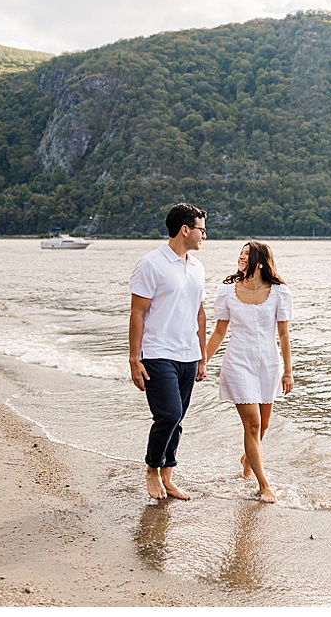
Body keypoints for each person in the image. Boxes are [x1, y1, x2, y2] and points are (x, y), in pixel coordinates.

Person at [201, 240, 294, 504]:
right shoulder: (228, 291)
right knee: (252, 424)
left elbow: (284, 334)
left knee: (263, 425)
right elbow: (219, 331)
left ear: (261, 262)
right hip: (238, 361)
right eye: (240, 254)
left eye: (246, 254)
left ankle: (247, 457)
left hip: (269, 363)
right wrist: (203, 361)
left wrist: (288, 371)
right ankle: (264, 484)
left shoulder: (279, 292)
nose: (241, 258)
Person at [129, 203, 208, 501]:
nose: (204, 235)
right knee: (168, 414)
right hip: (157, 352)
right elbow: (137, 313)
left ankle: (168, 475)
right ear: (185, 230)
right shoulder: (151, 264)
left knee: (179, 418)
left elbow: (199, 313)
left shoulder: (197, 267)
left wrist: (201, 355)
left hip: (188, 354)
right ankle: (152, 469)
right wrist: (134, 359)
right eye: (201, 229)